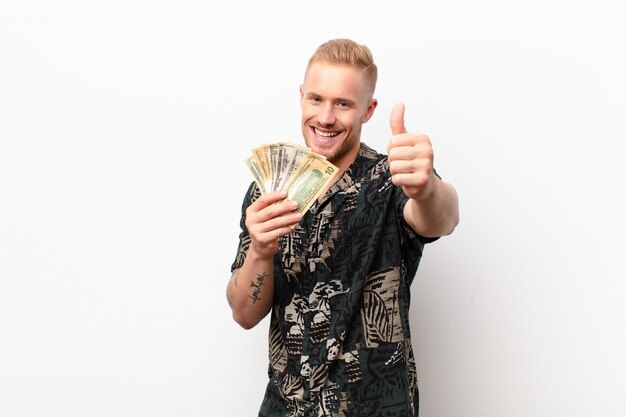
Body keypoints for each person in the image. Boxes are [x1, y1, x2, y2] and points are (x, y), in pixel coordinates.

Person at [226, 39, 459, 417]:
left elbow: (441, 218)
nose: (326, 117)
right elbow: (244, 314)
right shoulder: (267, 188)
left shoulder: (392, 180)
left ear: (368, 110)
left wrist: (428, 187)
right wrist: (260, 250)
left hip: (375, 406)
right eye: (316, 99)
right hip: (287, 405)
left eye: (344, 104)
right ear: (301, 96)